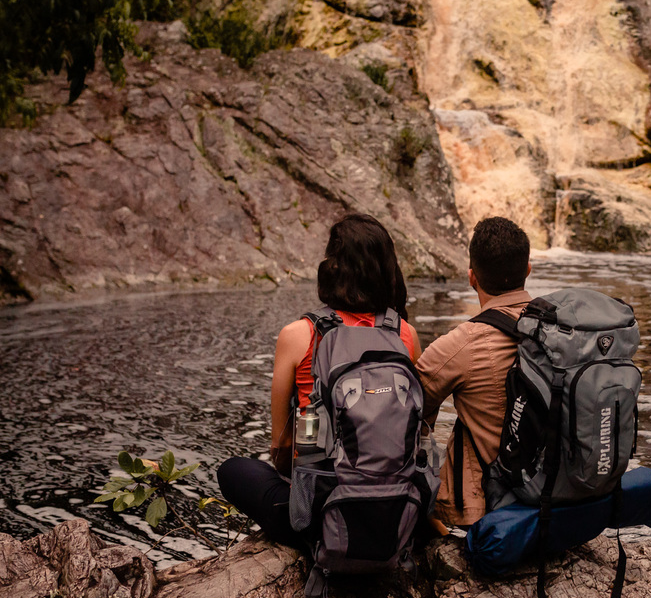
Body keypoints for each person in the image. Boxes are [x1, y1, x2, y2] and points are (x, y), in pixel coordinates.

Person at [217, 213, 421, 548]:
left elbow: (282, 448)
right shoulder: (405, 335)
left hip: (321, 521)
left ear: (332, 268)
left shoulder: (299, 334)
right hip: (395, 517)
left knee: (233, 470)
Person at [418, 216, 531, 528]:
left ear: (471, 277)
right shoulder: (564, 328)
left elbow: (409, 409)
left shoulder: (458, 344)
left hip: (487, 510)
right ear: (529, 270)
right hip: (561, 495)